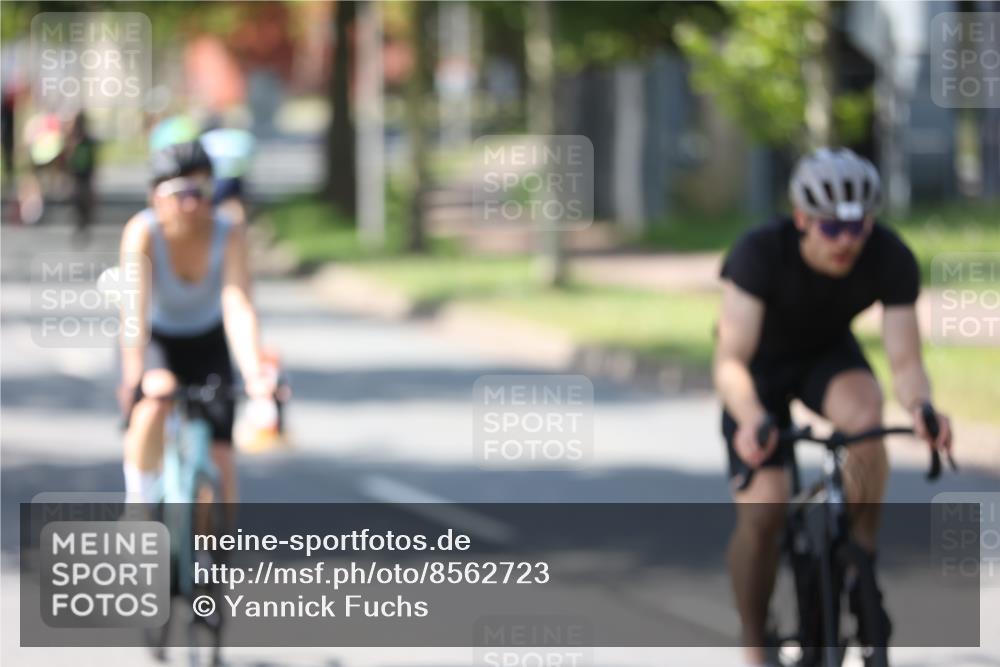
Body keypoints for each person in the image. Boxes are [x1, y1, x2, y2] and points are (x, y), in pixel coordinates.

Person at [713, 148, 953, 667]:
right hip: (757, 373)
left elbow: (906, 360)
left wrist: (922, 408)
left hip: (824, 356)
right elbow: (730, 359)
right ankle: (755, 641)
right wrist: (753, 417)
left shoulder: (888, 256)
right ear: (801, 219)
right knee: (765, 513)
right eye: (830, 229)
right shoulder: (759, 254)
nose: (846, 242)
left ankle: (859, 554)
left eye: (857, 227)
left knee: (868, 417)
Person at [118, 140, 275, 509]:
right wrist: (132, 377)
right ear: (156, 198)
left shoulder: (227, 231)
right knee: (156, 398)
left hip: (208, 340)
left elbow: (238, 305)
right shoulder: (142, 233)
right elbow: (133, 311)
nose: (192, 203)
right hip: (157, 339)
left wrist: (255, 377)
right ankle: (137, 505)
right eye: (179, 192)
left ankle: (213, 551)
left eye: (202, 191)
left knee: (222, 459)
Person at [64, 111, 98, 244]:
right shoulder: (71, 139)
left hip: (86, 175)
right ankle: (79, 224)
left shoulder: (88, 141)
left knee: (85, 199)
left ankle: (84, 224)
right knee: (76, 199)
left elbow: (93, 159)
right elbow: (67, 159)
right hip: (76, 176)